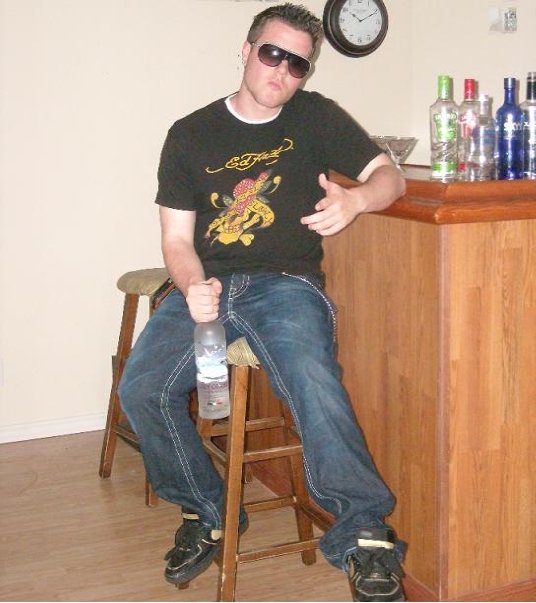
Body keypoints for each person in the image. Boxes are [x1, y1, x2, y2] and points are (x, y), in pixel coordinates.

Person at [119, 3, 407, 601]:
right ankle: (206, 510)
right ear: (247, 50)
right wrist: (192, 286)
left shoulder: (315, 116)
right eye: (273, 54)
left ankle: (365, 535)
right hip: (209, 283)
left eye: (298, 64)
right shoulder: (190, 134)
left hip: (286, 284)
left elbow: (391, 177)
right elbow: (176, 240)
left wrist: (357, 200)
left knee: (313, 379)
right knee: (141, 388)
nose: (282, 70)